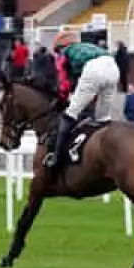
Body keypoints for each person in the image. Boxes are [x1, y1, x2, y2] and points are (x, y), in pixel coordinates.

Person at [46, 30, 116, 169]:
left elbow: (65, 83)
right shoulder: (89, 47)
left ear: (60, 47)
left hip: (94, 70)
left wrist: (62, 99)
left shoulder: (64, 54)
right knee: (103, 118)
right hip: (113, 67)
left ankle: (56, 158)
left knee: (69, 115)